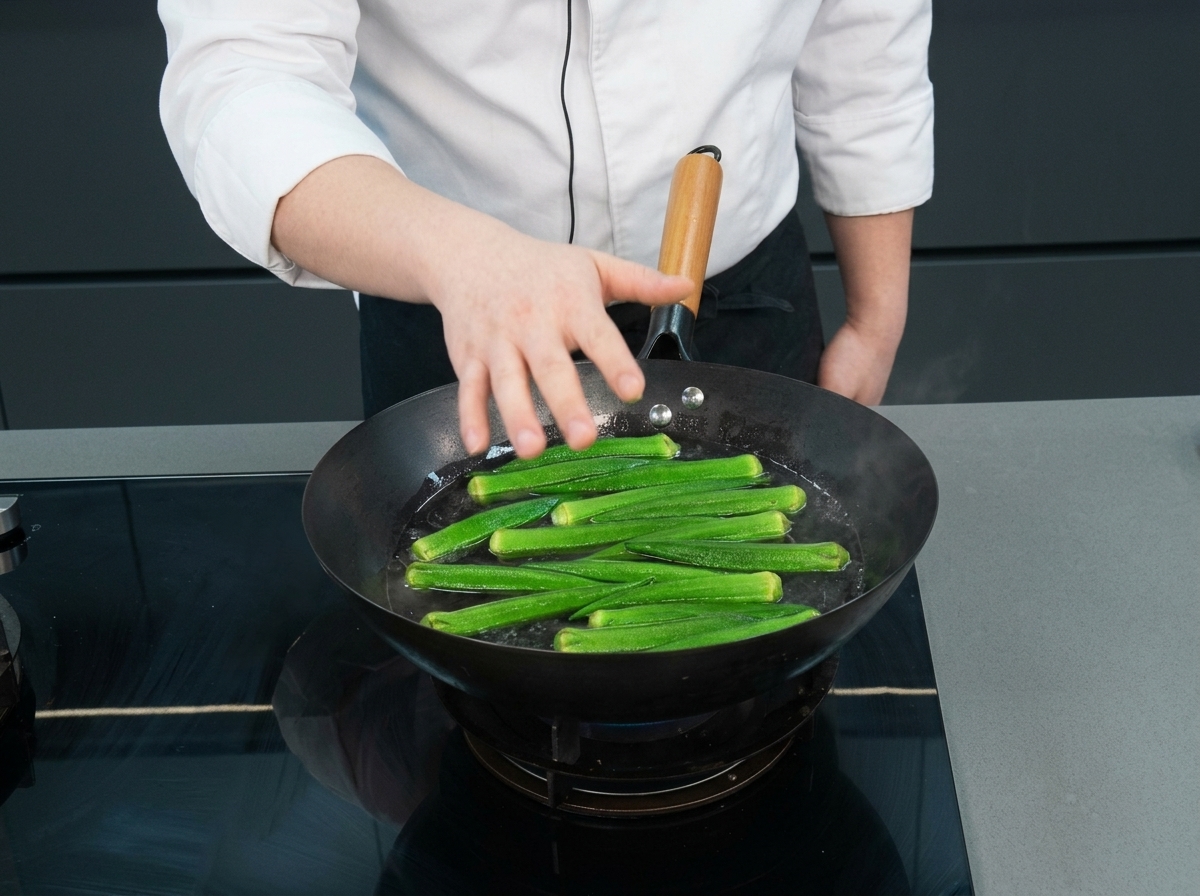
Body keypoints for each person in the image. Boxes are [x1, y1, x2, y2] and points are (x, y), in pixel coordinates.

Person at [159, 1, 932, 458]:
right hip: (456, 312)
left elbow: (866, 29)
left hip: (750, 298)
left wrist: (878, 313)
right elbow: (243, 74)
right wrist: (456, 253)